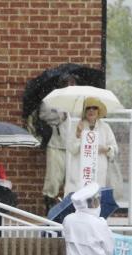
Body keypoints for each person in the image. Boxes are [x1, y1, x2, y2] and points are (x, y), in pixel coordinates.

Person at [38, 74, 76, 211]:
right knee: (53, 180)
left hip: (74, 147)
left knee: (73, 179)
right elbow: (43, 115)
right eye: (67, 83)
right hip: (55, 144)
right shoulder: (50, 100)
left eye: (72, 84)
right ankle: (49, 208)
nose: (70, 86)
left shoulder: (78, 102)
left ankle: (72, 208)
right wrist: (60, 115)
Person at [66, 98, 119, 195]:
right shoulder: (77, 125)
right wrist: (78, 134)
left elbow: (114, 149)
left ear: (98, 111)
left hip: (99, 171)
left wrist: (105, 149)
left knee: (96, 200)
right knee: (79, 200)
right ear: (84, 111)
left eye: (94, 108)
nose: (91, 110)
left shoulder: (105, 127)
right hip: (80, 172)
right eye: (88, 108)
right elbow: (72, 149)